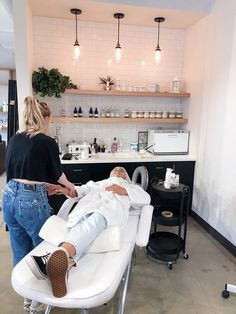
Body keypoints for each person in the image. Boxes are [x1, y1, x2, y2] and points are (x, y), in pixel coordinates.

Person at [26, 166, 151, 298]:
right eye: (115, 170)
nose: (118, 171)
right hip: (86, 208)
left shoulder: (132, 187)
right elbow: (81, 190)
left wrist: (123, 190)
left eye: (122, 171)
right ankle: (64, 266)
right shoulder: (99, 183)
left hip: (109, 209)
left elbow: (146, 199)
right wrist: (64, 190)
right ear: (110, 174)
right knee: (77, 223)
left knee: (97, 218)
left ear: (126, 176)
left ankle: (50, 258)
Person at [2, 96, 76, 313]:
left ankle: (26, 295)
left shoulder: (15, 139)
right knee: (46, 249)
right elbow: (58, 175)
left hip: (8, 197)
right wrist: (70, 187)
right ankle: (38, 301)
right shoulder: (46, 141)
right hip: (30, 202)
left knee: (19, 249)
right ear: (46, 118)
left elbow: (19, 173)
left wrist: (41, 185)